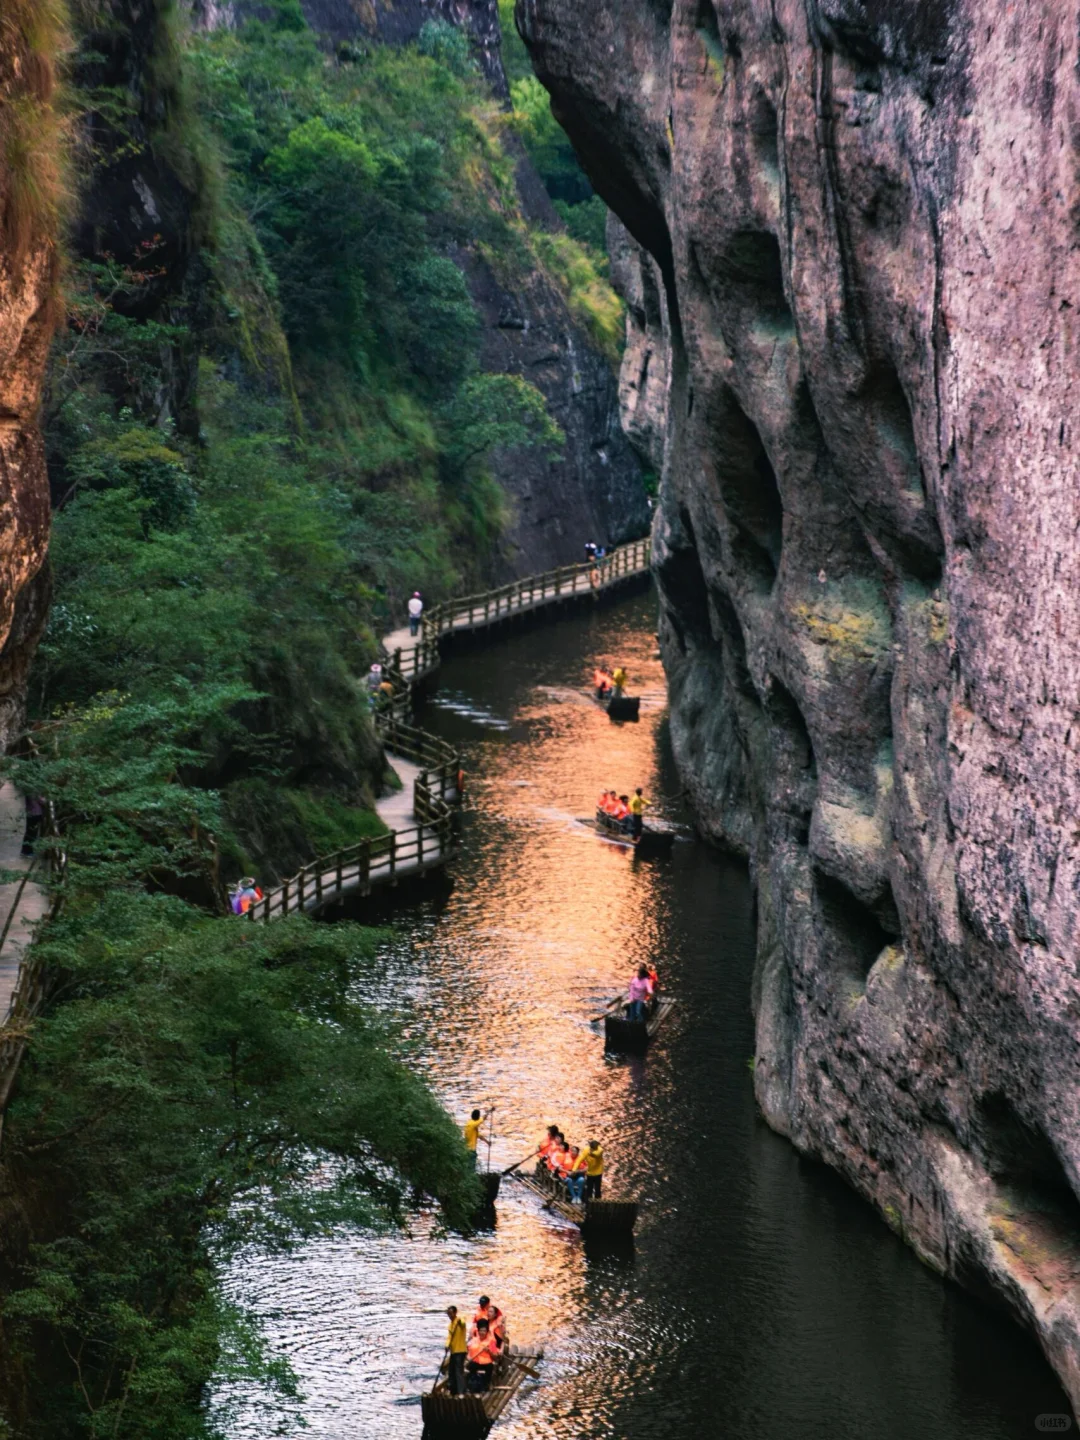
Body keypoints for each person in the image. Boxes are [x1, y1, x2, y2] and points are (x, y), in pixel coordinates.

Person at [466, 1319, 498, 1392]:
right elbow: (468, 1352)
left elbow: (495, 1357)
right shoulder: (473, 1340)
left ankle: (485, 1386)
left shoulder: (491, 1341)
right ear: (478, 1331)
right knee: (470, 1366)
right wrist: (468, 1357)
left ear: (487, 1332)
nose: (482, 1332)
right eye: (481, 1330)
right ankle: (472, 1386)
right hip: (475, 1362)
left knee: (490, 1367)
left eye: (484, 1331)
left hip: (486, 1364)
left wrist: (489, 1351)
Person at [445, 1306, 468, 1396]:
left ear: (455, 1313)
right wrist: (447, 1345)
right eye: (448, 1314)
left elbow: (463, 1322)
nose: (449, 1315)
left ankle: (461, 1391)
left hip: (460, 1350)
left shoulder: (459, 1323)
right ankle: (453, 1390)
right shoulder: (450, 1325)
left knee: (458, 1371)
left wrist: (460, 1321)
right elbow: (449, 1337)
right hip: (453, 1351)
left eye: (450, 1313)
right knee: (451, 1371)